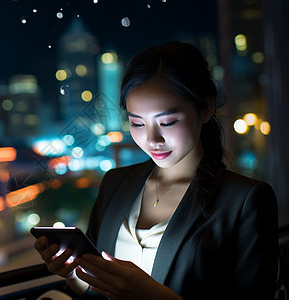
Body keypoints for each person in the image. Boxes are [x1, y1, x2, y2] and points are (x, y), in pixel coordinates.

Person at [34, 41, 279, 300]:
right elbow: (99, 292)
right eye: (137, 123)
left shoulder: (246, 200)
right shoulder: (116, 183)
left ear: (205, 108)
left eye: (168, 122)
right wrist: (74, 274)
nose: (152, 139)